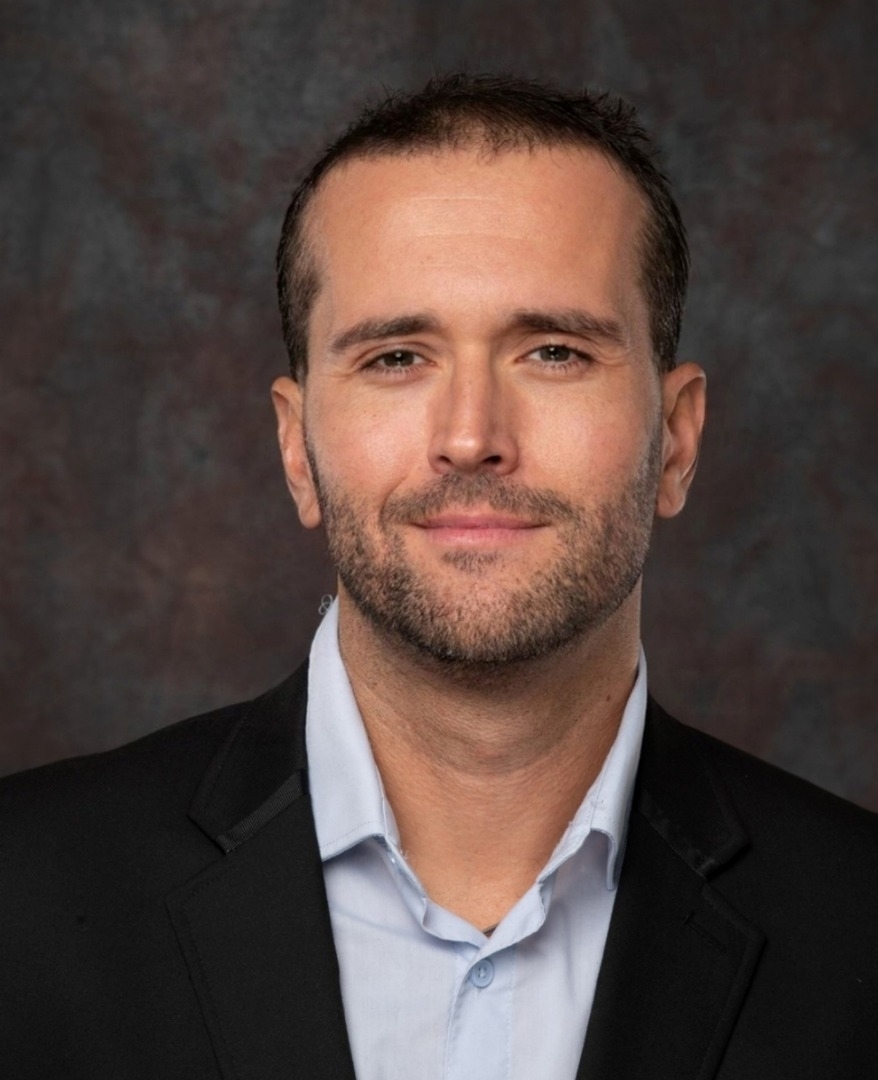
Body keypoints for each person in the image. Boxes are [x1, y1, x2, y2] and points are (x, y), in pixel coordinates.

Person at [1, 74, 875, 1080]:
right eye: (395, 358)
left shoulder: (856, 928)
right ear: (295, 450)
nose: (470, 437)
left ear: (675, 442)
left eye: (553, 352)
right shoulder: (21, 901)